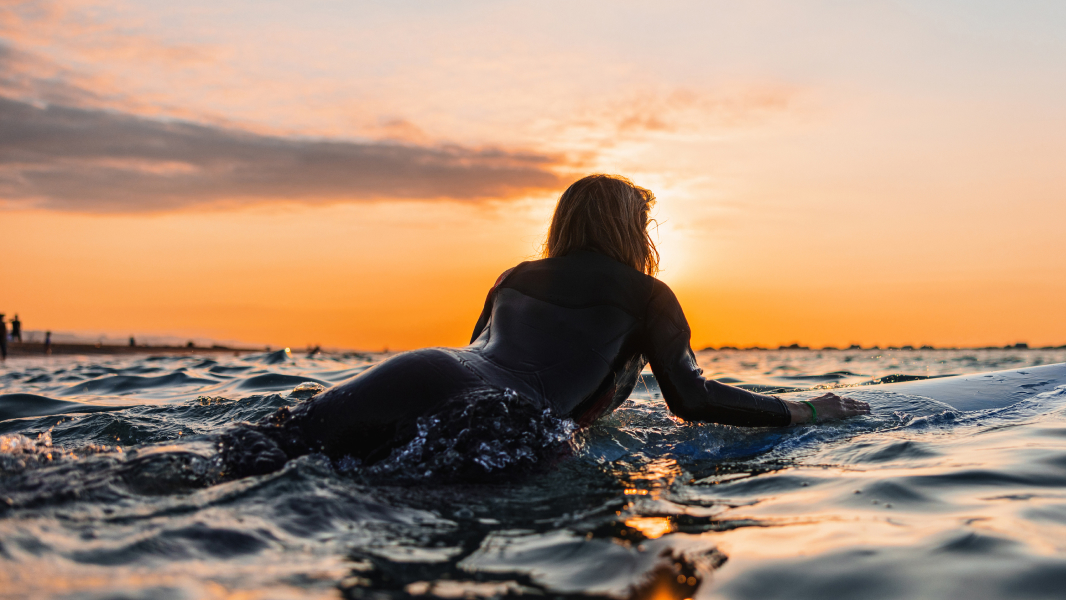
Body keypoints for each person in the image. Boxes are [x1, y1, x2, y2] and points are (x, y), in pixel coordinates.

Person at [222, 174, 868, 479]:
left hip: (417, 369)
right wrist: (806, 410)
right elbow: (692, 401)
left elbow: (480, 352)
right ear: (632, 232)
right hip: (505, 414)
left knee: (262, 458)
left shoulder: (513, 276)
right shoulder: (648, 295)